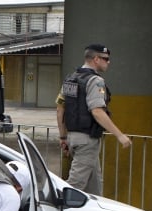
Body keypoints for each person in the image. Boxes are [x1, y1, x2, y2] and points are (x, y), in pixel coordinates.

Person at [56, 44, 131, 195]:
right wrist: (120, 135)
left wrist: (63, 136)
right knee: (74, 186)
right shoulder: (95, 81)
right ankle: (53, 210)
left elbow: (60, 109)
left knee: (94, 185)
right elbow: (97, 111)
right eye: (106, 59)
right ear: (96, 59)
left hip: (73, 137)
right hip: (87, 140)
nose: (108, 62)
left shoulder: (71, 78)